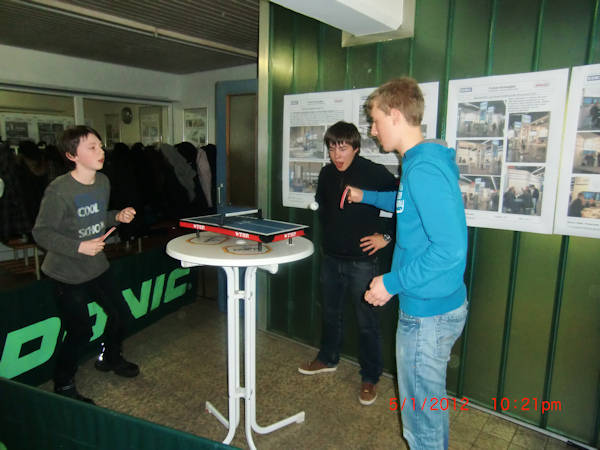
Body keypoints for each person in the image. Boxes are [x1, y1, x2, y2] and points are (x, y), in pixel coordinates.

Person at [346, 78, 468, 449]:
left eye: (376, 120)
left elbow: (449, 248)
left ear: (396, 115)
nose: (372, 130)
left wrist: (391, 282)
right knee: (429, 411)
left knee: (421, 425)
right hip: (436, 304)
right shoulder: (419, 162)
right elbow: (405, 203)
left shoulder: (423, 169)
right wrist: (367, 196)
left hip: (427, 314)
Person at [32, 125, 139, 405]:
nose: (100, 151)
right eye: (92, 147)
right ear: (72, 155)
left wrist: (117, 216)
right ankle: (64, 383)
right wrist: (79, 247)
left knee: (122, 315)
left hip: (96, 265)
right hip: (65, 272)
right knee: (80, 331)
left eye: (100, 145)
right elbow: (41, 233)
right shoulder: (59, 190)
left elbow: (94, 216)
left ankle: (110, 358)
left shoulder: (102, 181)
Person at [297, 121, 397, 406]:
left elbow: (404, 203)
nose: (337, 155)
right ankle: (327, 358)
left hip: (362, 263)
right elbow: (323, 207)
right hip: (331, 259)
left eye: (342, 148)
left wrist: (386, 236)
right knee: (330, 315)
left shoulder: (373, 172)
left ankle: (370, 377)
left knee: (367, 324)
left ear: (355, 148)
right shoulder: (327, 173)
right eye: (332, 148)